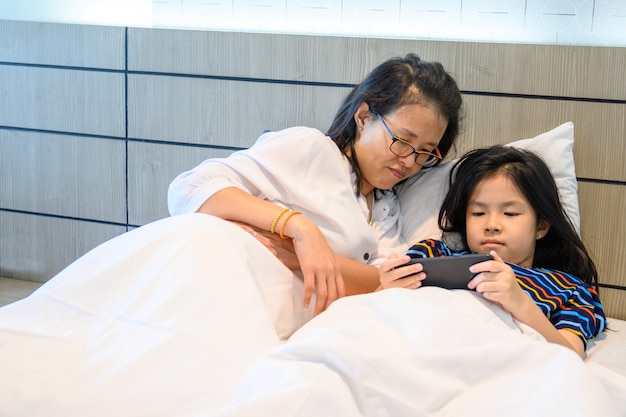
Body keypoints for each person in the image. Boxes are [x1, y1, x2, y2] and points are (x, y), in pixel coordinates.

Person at [168, 53, 463, 316]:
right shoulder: (313, 150)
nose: (410, 161)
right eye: (402, 141)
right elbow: (190, 188)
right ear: (364, 116)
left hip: (283, 322)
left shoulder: (388, 208)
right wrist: (299, 229)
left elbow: (387, 281)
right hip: (225, 291)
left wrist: (303, 257)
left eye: (425, 152)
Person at [378, 146, 606, 359]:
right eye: (478, 213)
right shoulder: (432, 254)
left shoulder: (570, 289)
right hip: (416, 352)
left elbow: (569, 355)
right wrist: (385, 287)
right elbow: (377, 311)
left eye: (510, 213)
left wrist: (519, 302)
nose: (492, 224)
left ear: (540, 227)